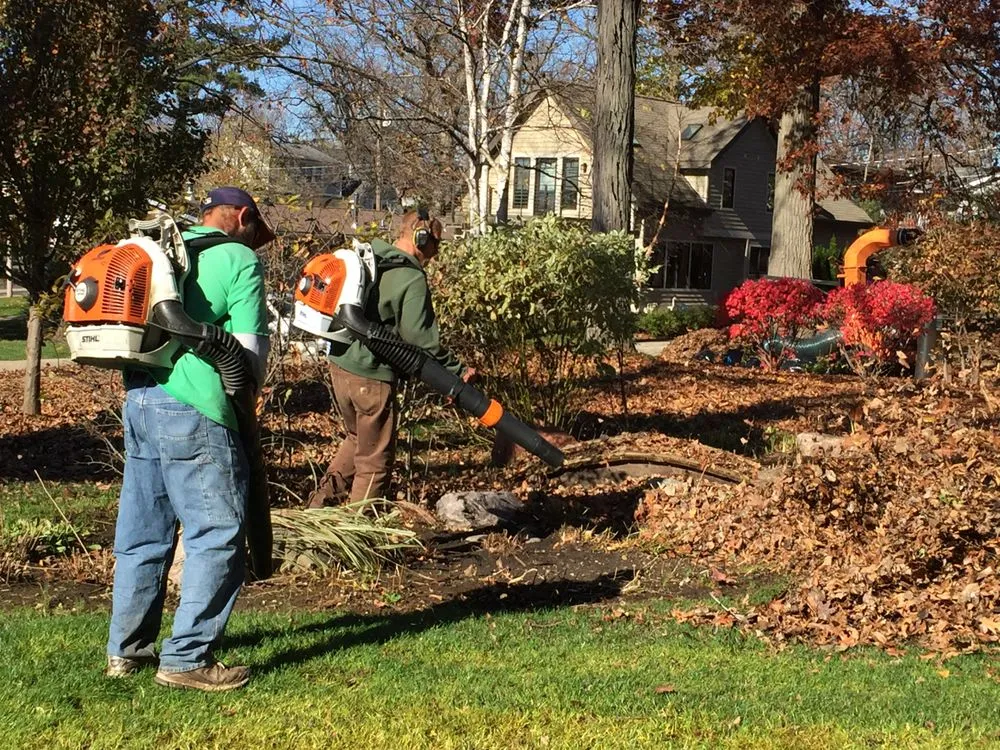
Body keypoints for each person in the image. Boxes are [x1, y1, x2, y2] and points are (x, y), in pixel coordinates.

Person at [105, 187, 273, 692]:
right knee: (217, 533)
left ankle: (126, 651)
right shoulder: (237, 257)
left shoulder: (161, 248)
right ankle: (186, 658)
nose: (254, 242)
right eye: (254, 231)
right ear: (242, 217)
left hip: (139, 400)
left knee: (142, 536)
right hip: (195, 409)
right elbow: (249, 358)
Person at [307, 209, 472, 508]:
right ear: (422, 239)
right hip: (371, 377)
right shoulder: (410, 278)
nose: (437, 252)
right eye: (437, 244)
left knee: (356, 439)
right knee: (374, 462)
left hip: (341, 367)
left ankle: (318, 513)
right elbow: (421, 340)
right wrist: (457, 370)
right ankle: (355, 539)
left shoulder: (369, 257)